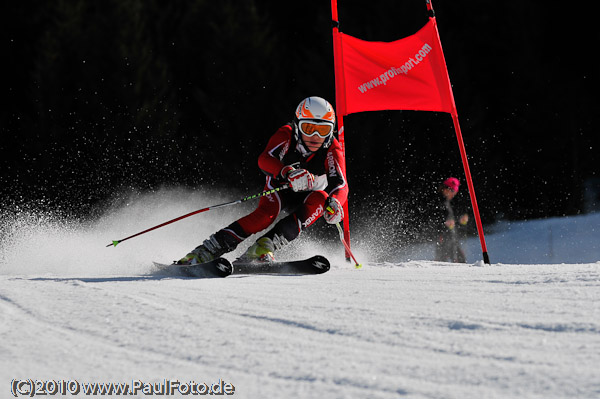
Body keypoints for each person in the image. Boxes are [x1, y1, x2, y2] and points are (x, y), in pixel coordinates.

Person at [178, 96, 348, 265]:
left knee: (321, 199)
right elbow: (264, 159)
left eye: (323, 130)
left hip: (309, 197)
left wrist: (335, 203)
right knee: (265, 216)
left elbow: (341, 184)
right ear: (297, 125)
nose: (316, 136)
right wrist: (287, 172)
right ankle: (205, 251)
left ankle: (261, 249)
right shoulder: (287, 134)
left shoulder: (332, 149)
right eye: (309, 128)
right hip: (280, 188)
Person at [434, 177, 469, 263]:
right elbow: (433, 219)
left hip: (451, 237)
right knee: (442, 261)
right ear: (445, 189)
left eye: (455, 192)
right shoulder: (438, 201)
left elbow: (450, 220)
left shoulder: (447, 202)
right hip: (444, 237)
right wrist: (444, 223)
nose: (454, 194)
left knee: (460, 260)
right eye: (453, 191)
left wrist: (459, 220)